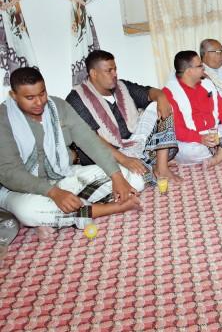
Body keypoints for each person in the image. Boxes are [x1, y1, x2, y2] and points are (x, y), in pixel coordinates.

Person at [0, 67, 141, 239]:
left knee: (132, 179)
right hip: (20, 190)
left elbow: (88, 140)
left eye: (42, 93)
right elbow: (9, 173)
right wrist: (53, 193)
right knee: (27, 211)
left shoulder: (57, 106)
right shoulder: (3, 119)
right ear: (13, 95)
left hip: (62, 175)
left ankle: (60, 215)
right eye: (30, 98)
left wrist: (116, 176)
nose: (39, 102)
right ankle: (110, 208)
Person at [66, 50, 179, 186]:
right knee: (137, 181)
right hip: (109, 155)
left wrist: (161, 96)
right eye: (109, 71)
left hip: (135, 144)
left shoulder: (122, 86)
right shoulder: (76, 99)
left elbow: (149, 92)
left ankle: (161, 167)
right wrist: (125, 160)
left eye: (115, 69)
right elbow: (91, 139)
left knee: (160, 106)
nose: (114, 74)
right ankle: (150, 164)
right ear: (94, 73)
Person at [163, 51, 222, 166]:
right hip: (191, 140)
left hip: (213, 131)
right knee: (191, 152)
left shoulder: (207, 84)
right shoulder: (170, 92)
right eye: (200, 66)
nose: (203, 68)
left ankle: (216, 157)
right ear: (189, 71)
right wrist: (200, 138)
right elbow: (175, 129)